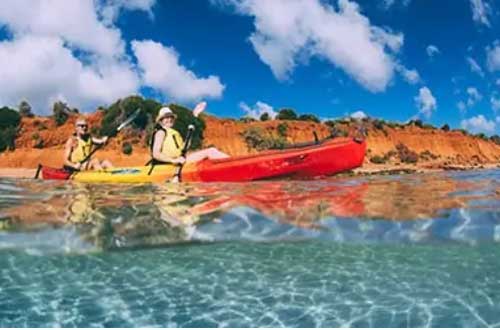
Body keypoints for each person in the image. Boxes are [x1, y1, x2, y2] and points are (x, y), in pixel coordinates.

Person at [151, 106, 229, 165]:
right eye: (166, 117)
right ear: (161, 121)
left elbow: (184, 148)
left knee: (210, 153)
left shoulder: (174, 133)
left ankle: (233, 163)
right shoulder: (160, 132)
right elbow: (156, 154)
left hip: (181, 160)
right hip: (168, 164)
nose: (169, 119)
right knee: (210, 151)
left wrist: (190, 135)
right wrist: (173, 160)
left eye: (171, 117)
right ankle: (232, 163)